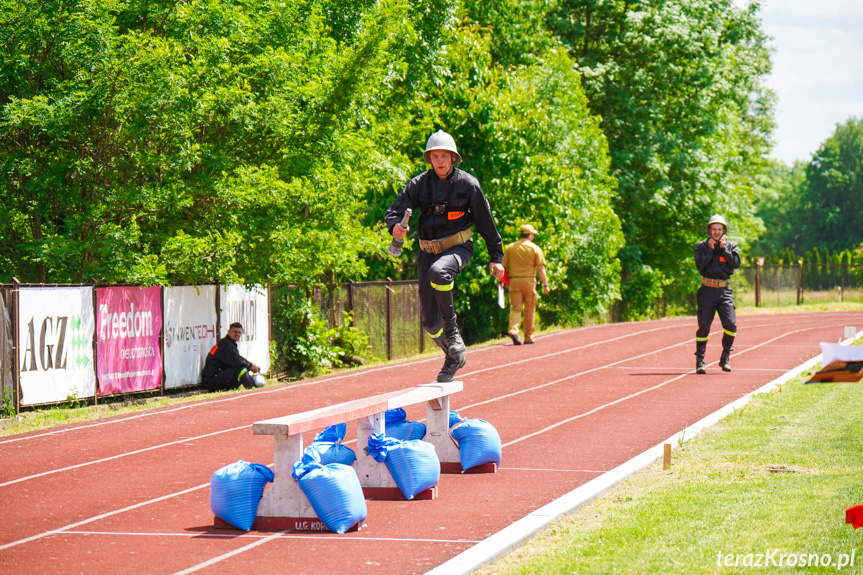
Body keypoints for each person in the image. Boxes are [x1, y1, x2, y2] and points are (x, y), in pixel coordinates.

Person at [385, 130, 505, 382]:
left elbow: (486, 222)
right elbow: (393, 212)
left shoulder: (468, 185)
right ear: (430, 159)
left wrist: (497, 256)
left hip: (458, 248)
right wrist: (395, 225)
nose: (439, 161)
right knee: (429, 324)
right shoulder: (419, 184)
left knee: (439, 272)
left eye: (444, 156)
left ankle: (453, 334)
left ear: (453, 158)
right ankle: (453, 355)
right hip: (427, 252)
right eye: (435, 156)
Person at [694, 214, 741, 374]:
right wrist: (710, 249)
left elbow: (735, 265)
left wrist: (724, 249)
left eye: (719, 229)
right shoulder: (701, 246)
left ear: (723, 230)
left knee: (730, 325)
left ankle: (725, 356)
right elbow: (700, 267)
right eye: (713, 229)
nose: (716, 232)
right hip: (707, 290)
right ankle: (700, 360)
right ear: (709, 230)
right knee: (704, 327)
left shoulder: (731, 246)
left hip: (724, 291)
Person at [502, 224, 549, 345]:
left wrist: (501, 282)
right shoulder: (535, 248)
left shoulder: (510, 247)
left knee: (515, 308)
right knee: (530, 309)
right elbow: (540, 268)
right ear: (530, 235)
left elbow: (503, 267)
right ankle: (528, 337)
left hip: (514, 281)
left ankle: (513, 330)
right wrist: (546, 285)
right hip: (529, 281)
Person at [202, 322, 264, 391]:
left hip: (218, 376)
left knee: (240, 369)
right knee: (241, 369)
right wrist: (250, 365)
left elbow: (236, 360)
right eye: (234, 332)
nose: (237, 334)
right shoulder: (225, 344)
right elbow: (236, 360)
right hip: (211, 380)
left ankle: (249, 388)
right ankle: (253, 389)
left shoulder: (229, 343)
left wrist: (249, 365)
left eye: (239, 332)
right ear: (228, 332)